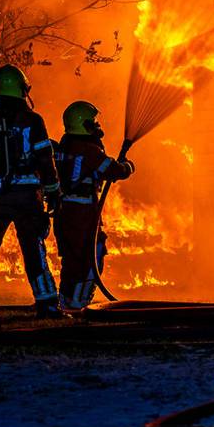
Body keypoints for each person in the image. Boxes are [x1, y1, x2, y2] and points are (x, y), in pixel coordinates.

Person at [0, 64, 61, 319]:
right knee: (33, 251)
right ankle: (47, 305)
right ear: (22, 90)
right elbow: (44, 158)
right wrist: (52, 190)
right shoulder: (32, 120)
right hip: (27, 197)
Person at [53, 100, 134, 311]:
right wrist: (128, 167)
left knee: (71, 257)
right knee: (93, 252)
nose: (97, 126)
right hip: (83, 211)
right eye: (94, 121)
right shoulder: (89, 150)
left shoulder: (64, 145)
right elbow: (114, 170)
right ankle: (80, 301)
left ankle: (65, 299)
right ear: (84, 124)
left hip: (63, 210)